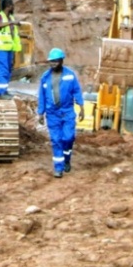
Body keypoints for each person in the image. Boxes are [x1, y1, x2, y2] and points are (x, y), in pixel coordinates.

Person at [36, 48, 84, 177]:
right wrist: (40, 113)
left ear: (62, 61)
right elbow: (42, 96)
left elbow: (77, 91)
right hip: (52, 114)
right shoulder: (45, 78)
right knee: (56, 140)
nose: (53, 64)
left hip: (67, 111)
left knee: (68, 138)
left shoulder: (70, 75)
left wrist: (81, 108)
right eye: (51, 61)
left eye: (56, 61)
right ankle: (58, 168)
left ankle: (67, 158)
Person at [0, 0, 22, 99]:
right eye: (12, 5)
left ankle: (4, 90)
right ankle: (0, 93)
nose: (13, 7)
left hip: (9, 48)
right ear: (8, 6)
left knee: (8, 70)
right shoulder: (0, 16)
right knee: (3, 70)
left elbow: (12, 33)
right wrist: (12, 23)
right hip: (0, 48)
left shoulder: (11, 17)